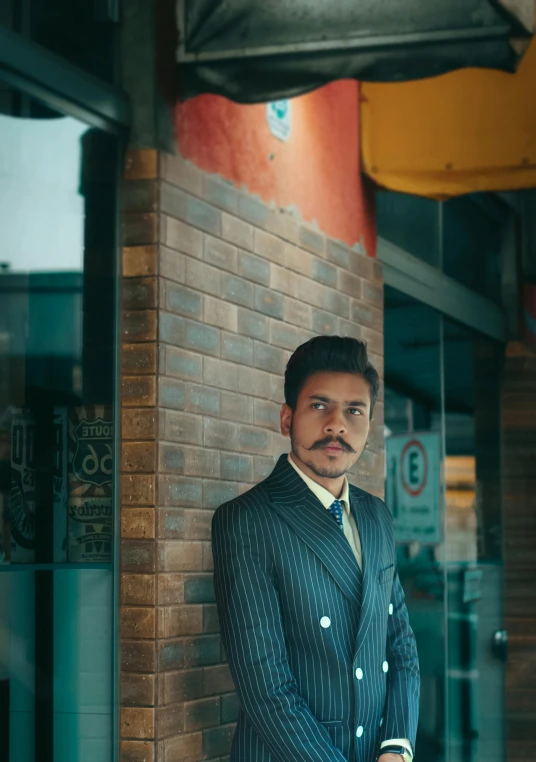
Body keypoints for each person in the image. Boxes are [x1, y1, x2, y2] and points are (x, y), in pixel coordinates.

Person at [212, 336, 420, 762]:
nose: (337, 426)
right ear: (287, 418)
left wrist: (396, 747)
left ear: (370, 424)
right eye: (319, 406)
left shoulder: (376, 515)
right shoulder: (248, 519)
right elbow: (265, 685)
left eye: (354, 411)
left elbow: (400, 646)